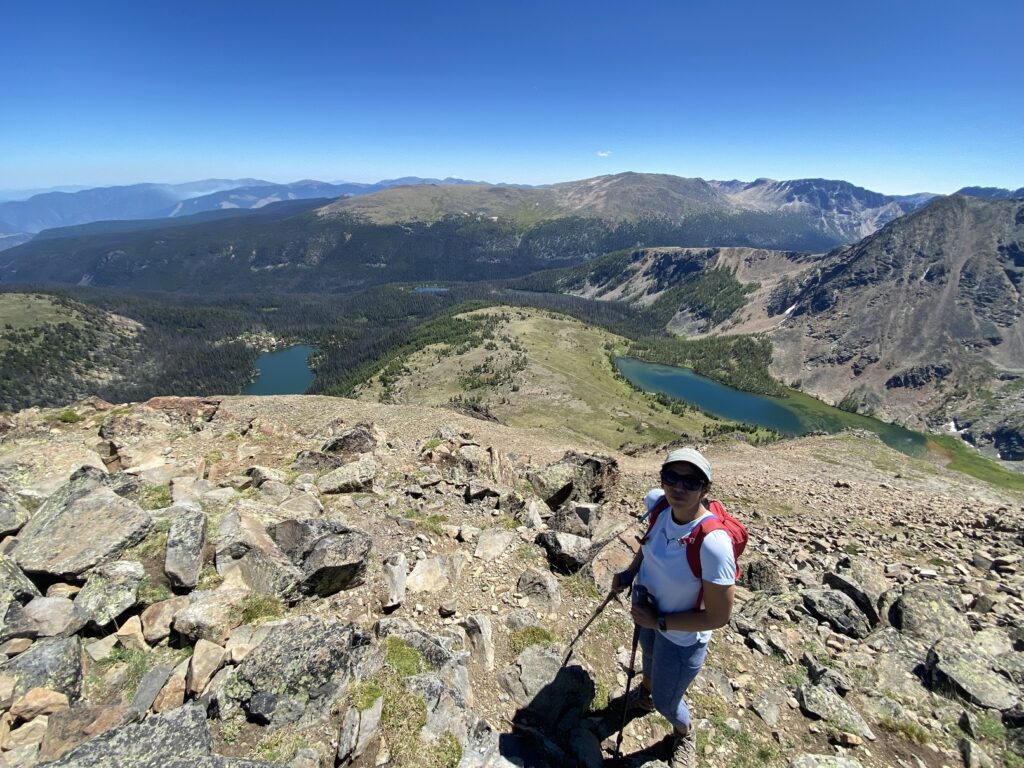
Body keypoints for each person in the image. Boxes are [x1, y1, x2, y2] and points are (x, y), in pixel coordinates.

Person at [612, 448, 736, 768]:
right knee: (648, 657)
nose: (679, 487)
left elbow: (719, 616)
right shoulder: (660, 504)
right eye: (671, 477)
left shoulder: (713, 543)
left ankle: (684, 732)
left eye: (691, 481)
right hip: (648, 610)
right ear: (662, 479)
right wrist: (630, 572)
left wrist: (661, 622)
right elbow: (649, 544)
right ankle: (645, 694)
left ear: (705, 489)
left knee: (669, 702)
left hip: (680, 636)